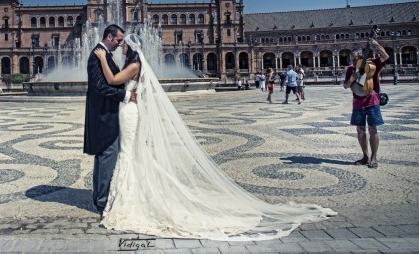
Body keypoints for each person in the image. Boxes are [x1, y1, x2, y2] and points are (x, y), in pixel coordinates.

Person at [95, 33, 336, 241]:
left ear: (131, 47)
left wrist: (101, 57)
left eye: (123, 44)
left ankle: (130, 197)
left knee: (129, 151)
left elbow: (114, 80)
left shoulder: (135, 64)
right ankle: (135, 193)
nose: (121, 47)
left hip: (129, 112)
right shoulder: (135, 63)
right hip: (128, 109)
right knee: (133, 152)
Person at [84, 24, 135, 215]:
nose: (120, 44)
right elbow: (99, 87)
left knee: (103, 155)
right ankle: (102, 200)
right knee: (107, 154)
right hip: (103, 115)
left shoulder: (103, 54)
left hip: (106, 113)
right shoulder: (98, 55)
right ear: (108, 37)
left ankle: (99, 196)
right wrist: (126, 96)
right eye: (118, 40)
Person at [343, 39, 389, 169]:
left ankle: (374, 157)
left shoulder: (372, 63)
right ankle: (365, 156)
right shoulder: (351, 69)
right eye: (352, 58)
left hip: (372, 100)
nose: (353, 61)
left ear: (362, 56)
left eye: (356, 58)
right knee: (360, 130)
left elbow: (385, 56)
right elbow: (346, 86)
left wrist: (376, 45)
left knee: (373, 129)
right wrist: (352, 79)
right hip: (357, 102)